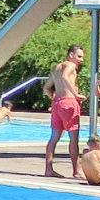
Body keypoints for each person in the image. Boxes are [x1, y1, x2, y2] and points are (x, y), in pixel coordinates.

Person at [42, 45, 84, 178]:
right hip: (69, 103)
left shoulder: (56, 67)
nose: (81, 60)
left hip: (57, 103)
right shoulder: (70, 65)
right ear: (71, 55)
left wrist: (53, 98)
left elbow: (47, 88)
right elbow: (66, 77)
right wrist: (75, 94)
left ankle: (48, 169)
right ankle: (76, 171)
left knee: (54, 138)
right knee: (73, 139)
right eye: (79, 56)